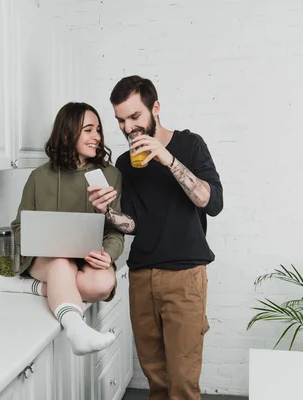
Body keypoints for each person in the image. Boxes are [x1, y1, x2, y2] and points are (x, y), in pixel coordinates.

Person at [88, 75, 224, 399]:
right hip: (141, 278)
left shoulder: (190, 146)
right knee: (158, 384)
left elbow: (212, 202)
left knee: (183, 384)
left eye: (135, 117)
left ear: (156, 108)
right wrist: (106, 212)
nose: (128, 128)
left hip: (185, 277)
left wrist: (168, 159)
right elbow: (132, 224)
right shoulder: (125, 163)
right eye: (121, 120)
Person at [0, 102, 125, 356]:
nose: (97, 137)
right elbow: (19, 226)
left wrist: (108, 255)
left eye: (98, 130)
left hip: (90, 257)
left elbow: (115, 230)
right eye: (89, 130)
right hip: (46, 260)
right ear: (68, 133)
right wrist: (39, 241)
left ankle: (28, 287)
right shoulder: (39, 176)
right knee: (61, 264)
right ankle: (76, 330)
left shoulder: (110, 175)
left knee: (102, 285)